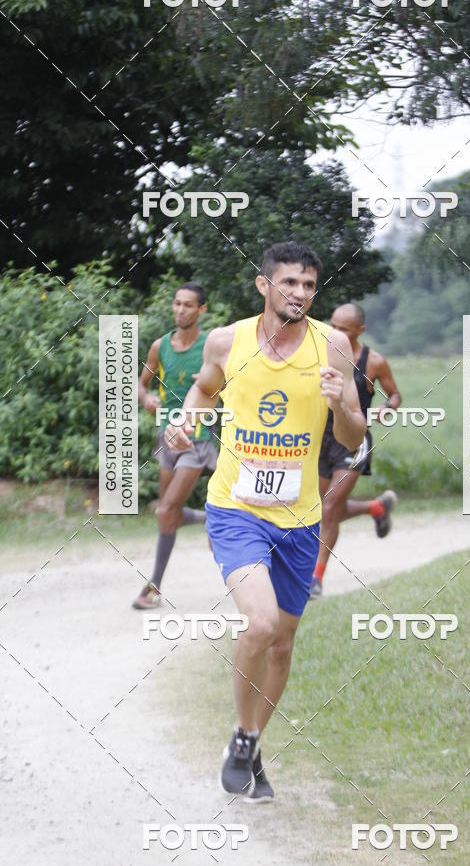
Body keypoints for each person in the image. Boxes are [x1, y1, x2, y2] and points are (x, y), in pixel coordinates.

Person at [166, 241, 366, 801]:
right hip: (236, 508)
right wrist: (183, 427)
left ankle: (249, 743)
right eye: (290, 283)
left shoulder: (335, 346)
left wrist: (343, 406)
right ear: (264, 286)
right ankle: (241, 734)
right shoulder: (226, 340)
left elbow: (353, 439)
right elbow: (204, 391)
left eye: (308, 285)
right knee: (261, 625)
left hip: (300, 519)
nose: (300, 293)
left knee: (283, 644)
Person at [132, 282, 217, 609]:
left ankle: (153, 588)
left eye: (188, 305)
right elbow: (142, 384)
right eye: (177, 304)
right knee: (167, 514)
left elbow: (227, 386)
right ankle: (211, 518)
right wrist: (148, 397)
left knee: (166, 509)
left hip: (197, 438)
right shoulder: (159, 346)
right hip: (165, 436)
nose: (181, 310)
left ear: (201, 310)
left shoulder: (212, 346)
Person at [310, 303, 402, 600]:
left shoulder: (373, 361)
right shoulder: (319, 352)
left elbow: (395, 393)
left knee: (328, 508)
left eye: (344, 329)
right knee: (320, 509)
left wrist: (387, 408)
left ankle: (315, 578)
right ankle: (376, 508)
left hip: (353, 439)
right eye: (332, 325)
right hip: (320, 437)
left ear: (360, 330)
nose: (334, 332)